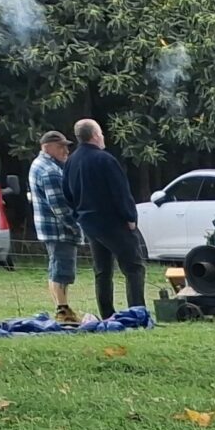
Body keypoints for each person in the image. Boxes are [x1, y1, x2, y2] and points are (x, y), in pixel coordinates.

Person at [61, 118, 146, 319]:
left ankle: (107, 313)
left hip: (90, 224)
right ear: (94, 135)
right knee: (134, 267)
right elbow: (120, 192)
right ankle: (137, 312)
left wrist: (78, 215)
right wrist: (130, 217)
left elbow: (67, 193)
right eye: (100, 133)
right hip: (112, 222)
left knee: (102, 270)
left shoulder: (71, 161)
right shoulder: (105, 160)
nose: (102, 136)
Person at [26, 130, 80, 320]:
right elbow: (59, 206)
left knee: (56, 267)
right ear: (47, 148)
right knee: (61, 270)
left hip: (50, 228)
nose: (66, 150)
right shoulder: (50, 171)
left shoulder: (39, 165)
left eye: (66, 146)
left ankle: (62, 307)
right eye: (61, 147)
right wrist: (74, 225)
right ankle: (62, 310)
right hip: (59, 230)